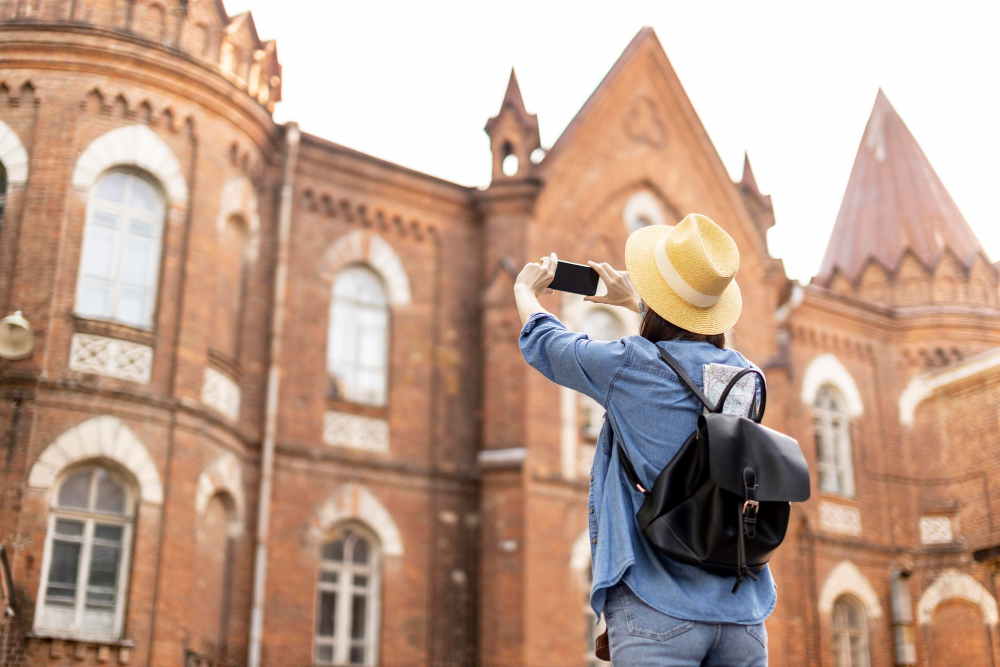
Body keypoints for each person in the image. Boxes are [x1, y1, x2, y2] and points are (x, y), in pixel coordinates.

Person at [514, 214, 772, 666]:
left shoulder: (630, 366)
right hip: (743, 613)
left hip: (658, 605)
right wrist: (639, 303)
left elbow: (551, 345)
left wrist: (525, 293)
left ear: (658, 300)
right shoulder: (747, 377)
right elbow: (692, 356)